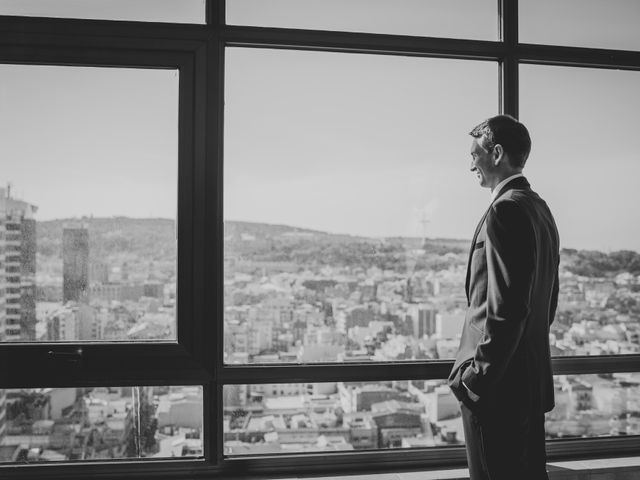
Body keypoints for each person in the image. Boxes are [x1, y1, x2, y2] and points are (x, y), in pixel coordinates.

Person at [448, 115, 560, 479]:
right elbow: (547, 301)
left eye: (474, 154)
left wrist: (476, 382)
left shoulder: (505, 209)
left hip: (497, 394)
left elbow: (507, 309)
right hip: (526, 387)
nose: (470, 164)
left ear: (496, 153)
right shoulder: (539, 208)